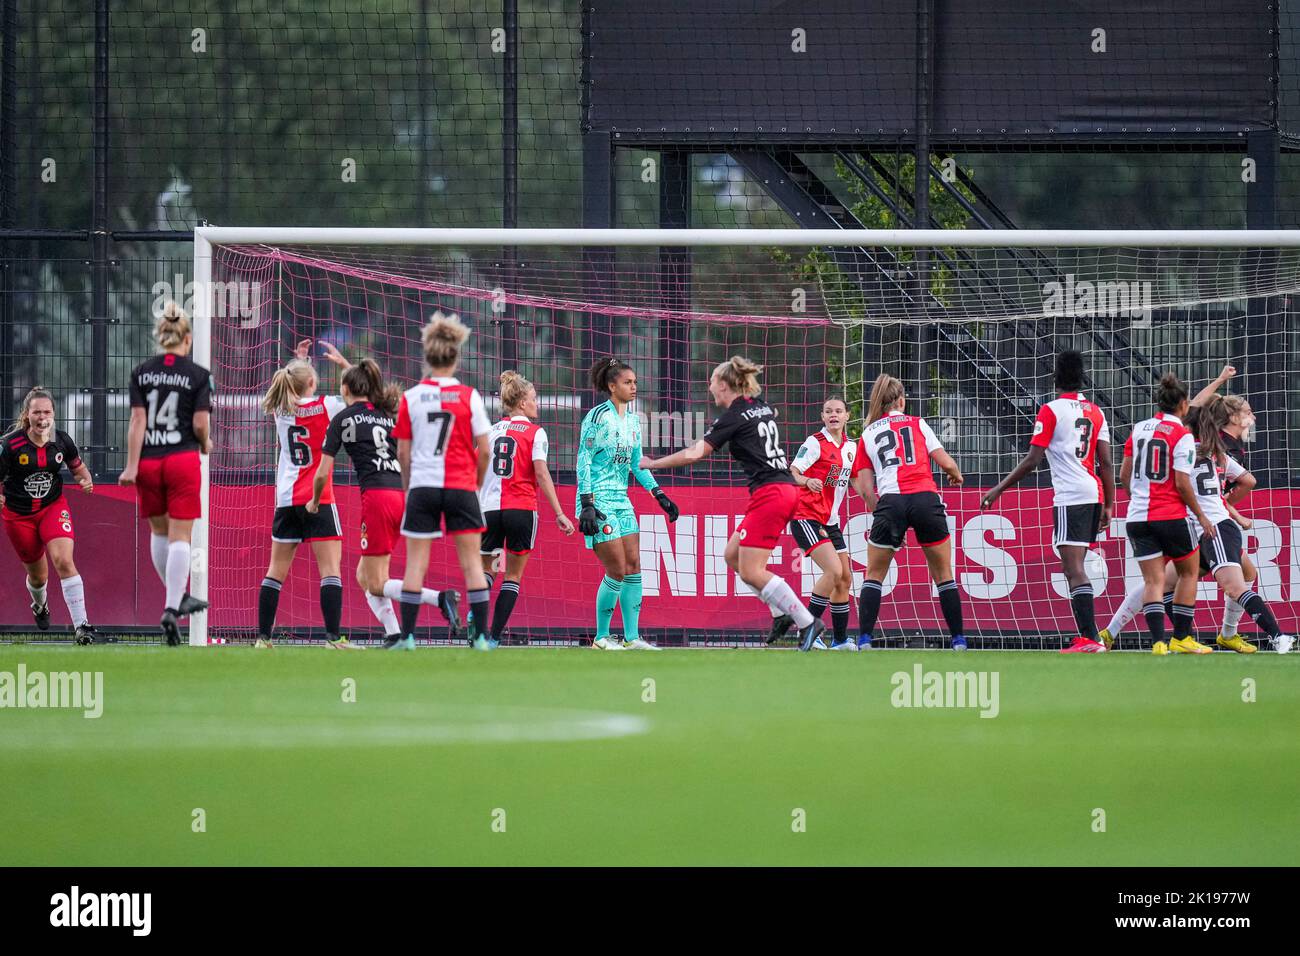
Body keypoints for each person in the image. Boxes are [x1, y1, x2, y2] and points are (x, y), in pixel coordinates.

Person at [641, 356, 824, 651]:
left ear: (724, 385)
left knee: (752, 571)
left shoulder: (733, 416)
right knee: (731, 555)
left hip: (772, 493)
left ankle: (807, 621)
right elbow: (763, 418)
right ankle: (780, 614)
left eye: (713, 382)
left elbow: (695, 454)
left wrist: (653, 463)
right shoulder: (759, 404)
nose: (710, 387)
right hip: (783, 489)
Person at [1102, 396, 1293, 654]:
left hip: (1208, 527)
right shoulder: (1215, 450)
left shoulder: (1178, 449)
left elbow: (1176, 483)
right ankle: (1267, 635)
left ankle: (1264, 636)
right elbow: (1248, 481)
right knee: (1216, 582)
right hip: (1209, 526)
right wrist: (1228, 505)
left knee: (1161, 582)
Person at [307, 356, 461, 648]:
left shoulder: (342, 418)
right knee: (365, 576)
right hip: (401, 496)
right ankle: (394, 634)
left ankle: (439, 598)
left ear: (344, 388)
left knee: (376, 582)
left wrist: (314, 502)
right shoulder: (385, 414)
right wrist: (346, 364)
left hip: (377, 498)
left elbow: (322, 474)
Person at [980, 350, 1115, 652]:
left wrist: (998, 489)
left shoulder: (1050, 410)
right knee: (1076, 566)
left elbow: (1032, 460)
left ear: (1055, 378)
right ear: (1082, 379)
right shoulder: (1096, 412)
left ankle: (1090, 639)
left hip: (1070, 495)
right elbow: (1106, 462)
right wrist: (1109, 503)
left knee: (1073, 569)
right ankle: (1090, 636)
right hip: (1093, 493)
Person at [391, 312, 494, 650]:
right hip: (461, 486)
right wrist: (475, 485)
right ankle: (479, 638)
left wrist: (409, 488)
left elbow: (403, 454)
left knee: (415, 564)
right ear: (455, 356)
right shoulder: (469, 396)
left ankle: (407, 637)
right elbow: (486, 450)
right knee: (470, 565)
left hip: (423, 485)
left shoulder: (411, 396)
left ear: (428, 356)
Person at [119, 301, 213, 646]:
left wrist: (131, 466)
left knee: (159, 532)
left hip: (147, 461)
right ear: (186, 337)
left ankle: (176, 600)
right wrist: (205, 444)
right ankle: (173, 607)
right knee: (181, 536)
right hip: (181, 458)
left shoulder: (142, 372)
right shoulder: (198, 374)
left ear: (160, 338)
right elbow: (200, 423)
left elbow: (137, 422)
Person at [851, 374, 966, 650]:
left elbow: (866, 489)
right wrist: (955, 475)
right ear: (902, 401)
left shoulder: (868, 434)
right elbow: (945, 462)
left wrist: (884, 516)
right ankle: (958, 640)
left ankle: (865, 639)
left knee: (874, 574)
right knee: (943, 574)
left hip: (891, 502)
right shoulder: (918, 423)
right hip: (926, 499)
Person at [576, 357, 678, 651]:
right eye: (627, 383)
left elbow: (637, 462)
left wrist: (659, 495)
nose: (633, 387)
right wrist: (587, 503)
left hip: (622, 499)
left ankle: (632, 638)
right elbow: (583, 459)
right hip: (597, 499)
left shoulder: (633, 420)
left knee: (633, 566)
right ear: (612, 386)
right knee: (617, 568)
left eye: (635, 383)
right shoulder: (597, 418)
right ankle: (601, 638)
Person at [255, 338, 350, 648]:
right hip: (318, 497)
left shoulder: (280, 409)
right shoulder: (327, 406)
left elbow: (290, 384)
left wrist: (299, 360)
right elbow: (359, 394)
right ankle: (333, 639)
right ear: (312, 381)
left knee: (275, 572)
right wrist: (343, 365)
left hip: (286, 500)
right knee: (330, 571)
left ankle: (263, 638)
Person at [1119, 373, 1217, 654]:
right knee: (1189, 573)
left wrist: (1138, 497)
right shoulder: (1182, 436)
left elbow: (1125, 473)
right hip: (1171, 516)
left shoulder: (1138, 428)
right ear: (1184, 405)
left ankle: (1158, 643)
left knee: (1153, 581)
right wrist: (1201, 515)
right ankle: (1182, 638)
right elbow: (1182, 484)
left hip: (1137, 517)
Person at [475, 370, 576, 643]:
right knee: (513, 575)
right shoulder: (535, 432)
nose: (536, 403)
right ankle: (492, 638)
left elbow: (477, 469)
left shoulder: (492, 431)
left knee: (487, 569)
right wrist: (559, 513)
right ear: (521, 403)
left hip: (490, 510)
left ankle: (477, 618)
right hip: (520, 509)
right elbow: (541, 473)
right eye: (533, 398)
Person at [0, 386, 107, 644]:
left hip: (52, 508)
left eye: (47, 411)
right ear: (27, 415)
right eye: (36, 412)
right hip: (18, 516)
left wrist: (86, 482)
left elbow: (81, 470)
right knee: (39, 577)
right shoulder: (10, 445)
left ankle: (82, 626)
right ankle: (40, 606)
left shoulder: (62, 441)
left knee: (63, 561)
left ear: (54, 414)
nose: (42, 417)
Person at [784, 397, 857, 650]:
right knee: (833, 571)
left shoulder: (851, 447)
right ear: (822, 416)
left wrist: (877, 503)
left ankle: (839, 640)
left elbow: (850, 479)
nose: (833, 415)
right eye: (828, 411)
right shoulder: (815, 443)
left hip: (830, 520)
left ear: (848, 415)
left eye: (838, 411)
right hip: (806, 516)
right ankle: (808, 631)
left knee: (844, 578)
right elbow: (792, 472)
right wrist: (806, 481)